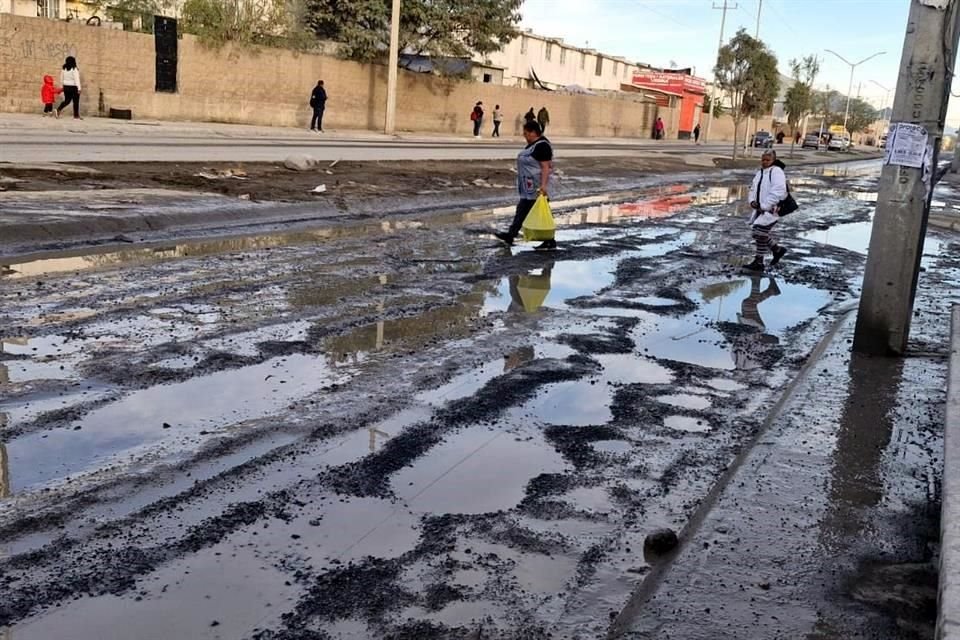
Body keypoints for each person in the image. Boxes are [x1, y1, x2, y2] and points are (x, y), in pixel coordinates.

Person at [494, 121, 555, 251]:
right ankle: (511, 235)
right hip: (528, 187)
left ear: (533, 132)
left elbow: (546, 167)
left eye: (526, 133)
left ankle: (549, 240)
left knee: (540, 213)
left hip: (537, 186)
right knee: (522, 210)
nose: (525, 136)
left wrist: (543, 186)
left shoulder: (542, 146)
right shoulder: (532, 146)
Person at [744, 149, 788, 272]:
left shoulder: (776, 172)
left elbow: (778, 191)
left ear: (773, 160)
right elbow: (753, 188)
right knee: (758, 233)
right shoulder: (760, 173)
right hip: (760, 208)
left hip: (772, 209)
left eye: (767, 160)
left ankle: (761, 260)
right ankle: (776, 251)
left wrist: (765, 205)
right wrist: (752, 201)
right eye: (763, 159)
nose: (764, 162)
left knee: (759, 232)